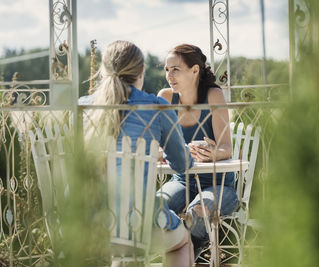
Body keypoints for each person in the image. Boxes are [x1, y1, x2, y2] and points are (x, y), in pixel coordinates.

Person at [84, 40, 194, 267]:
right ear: (142, 71)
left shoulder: (83, 108)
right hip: (138, 221)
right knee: (183, 242)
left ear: (103, 71)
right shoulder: (157, 108)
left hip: (87, 219)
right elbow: (183, 164)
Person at [157, 44, 238, 259]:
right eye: (167, 69)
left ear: (195, 70)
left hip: (218, 184)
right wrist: (164, 151)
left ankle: (187, 255)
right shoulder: (166, 98)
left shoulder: (213, 96)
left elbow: (226, 148)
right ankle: (181, 254)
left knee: (198, 211)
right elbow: (156, 147)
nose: (169, 76)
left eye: (175, 69)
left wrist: (212, 153)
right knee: (156, 206)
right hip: (182, 182)